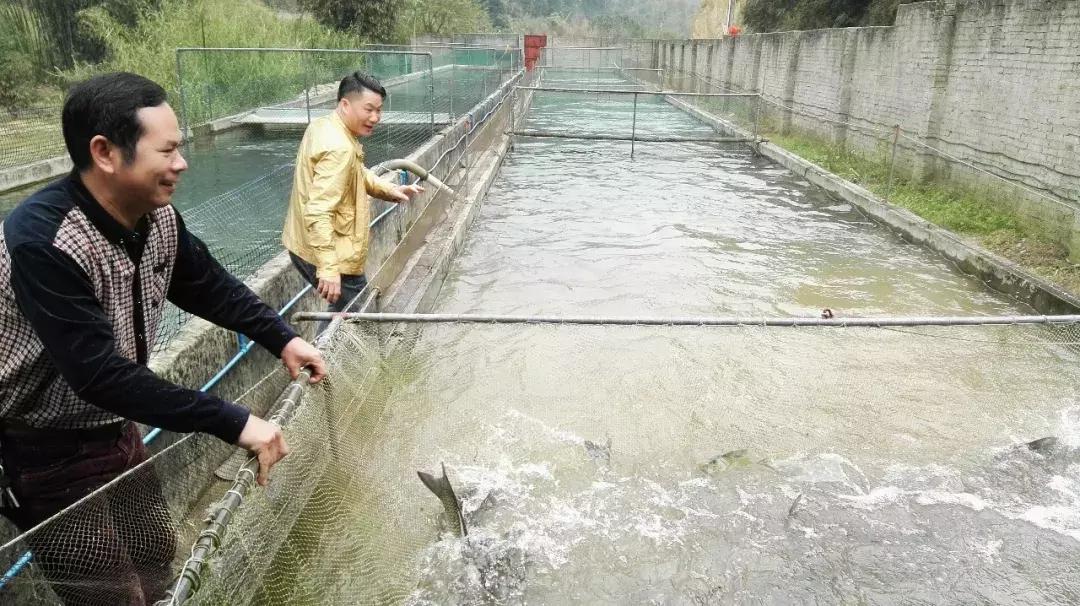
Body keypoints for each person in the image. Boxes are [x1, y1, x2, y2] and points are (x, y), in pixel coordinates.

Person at [0, 72, 326, 605]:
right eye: (168, 150)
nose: (181, 163)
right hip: (41, 444)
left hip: (113, 426)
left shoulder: (155, 218)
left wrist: (282, 338)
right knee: (110, 594)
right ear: (105, 153)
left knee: (155, 551)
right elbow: (98, 374)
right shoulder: (45, 240)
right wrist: (235, 421)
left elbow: (209, 286)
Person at [282, 71, 424, 331]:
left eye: (379, 110)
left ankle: (320, 362)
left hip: (307, 242)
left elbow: (356, 174)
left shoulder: (325, 126)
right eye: (368, 109)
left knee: (344, 310)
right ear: (345, 104)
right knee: (360, 312)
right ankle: (327, 367)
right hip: (329, 249)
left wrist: (388, 189)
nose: (375, 118)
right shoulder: (340, 148)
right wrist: (327, 266)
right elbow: (318, 209)